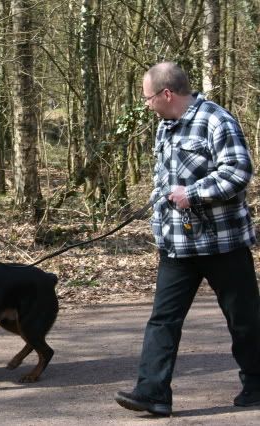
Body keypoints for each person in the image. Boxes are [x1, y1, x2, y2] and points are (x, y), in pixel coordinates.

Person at [114, 62, 260, 416]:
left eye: (148, 98)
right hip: (178, 246)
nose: (146, 105)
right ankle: (152, 394)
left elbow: (239, 172)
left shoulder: (216, 120)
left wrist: (193, 193)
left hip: (223, 243)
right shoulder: (166, 127)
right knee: (162, 320)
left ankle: (257, 386)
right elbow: (164, 181)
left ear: (167, 94)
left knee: (244, 320)